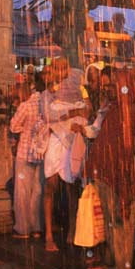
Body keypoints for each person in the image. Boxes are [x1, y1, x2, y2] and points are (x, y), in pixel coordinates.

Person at [83, 68, 135, 269]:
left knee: (121, 221)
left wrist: (128, 179)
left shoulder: (132, 109)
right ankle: (114, 263)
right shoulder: (115, 108)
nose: (108, 90)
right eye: (107, 87)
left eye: (112, 86)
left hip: (120, 174)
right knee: (112, 221)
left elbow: (131, 148)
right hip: (107, 174)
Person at [40, 60, 90, 252]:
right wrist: (73, 112)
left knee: (71, 187)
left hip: (71, 141)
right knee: (50, 186)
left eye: (64, 68)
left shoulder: (78, 86)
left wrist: (73, 113)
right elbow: (49, 118)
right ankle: (49, 236)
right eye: (56, 69)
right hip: (55, 141)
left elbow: (87, 110)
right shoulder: (46, 95)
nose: (60, 72)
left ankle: (72, 230)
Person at [9, 72, 45, 239]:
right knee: (37, 191)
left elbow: (13, 126)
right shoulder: (45, 104)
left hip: (25, 152)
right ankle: (36, 226)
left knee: (22, 191)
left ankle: (23, 228)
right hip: (41, 153)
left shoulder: (25, 106)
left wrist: (25, 130)